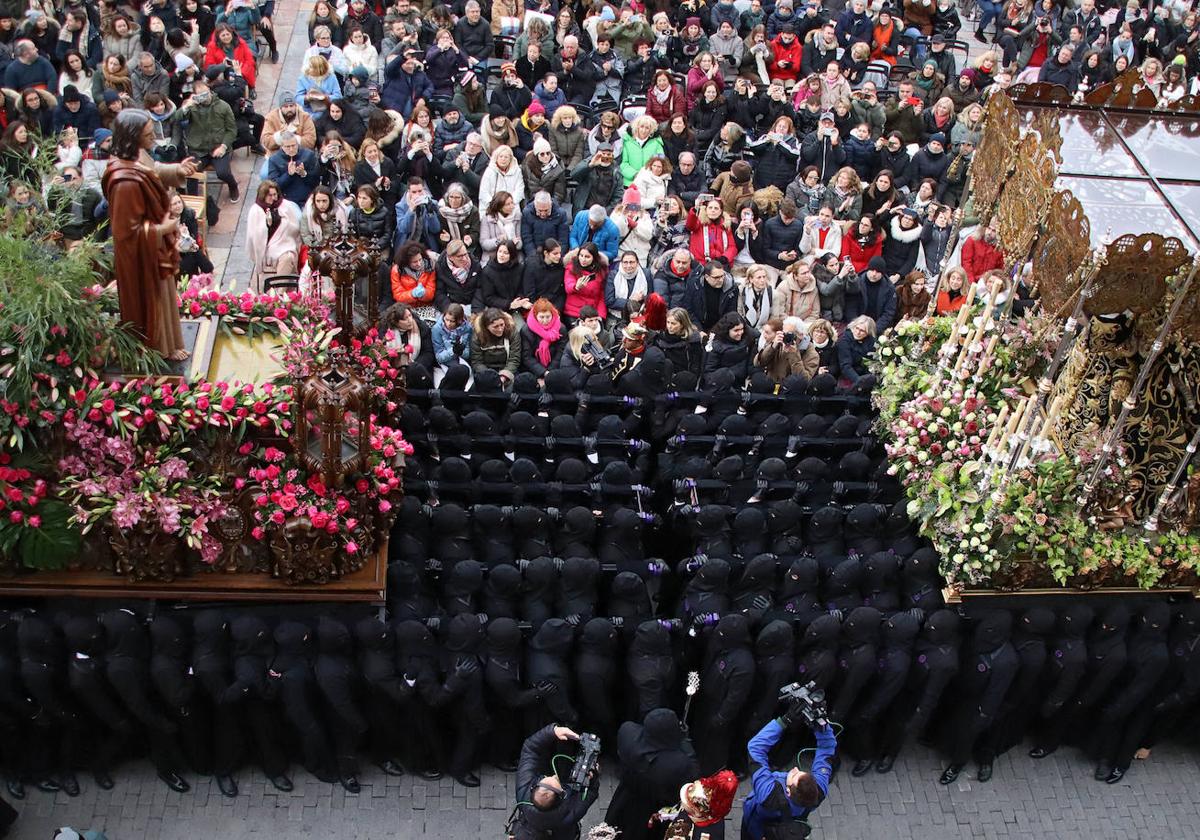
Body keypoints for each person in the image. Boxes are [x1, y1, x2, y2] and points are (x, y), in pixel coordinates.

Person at [102, 109, 195, 362]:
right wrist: (163, 229)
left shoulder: (138, 157)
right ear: (133, 137)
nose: (153, 137)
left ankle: (170, 342)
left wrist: (178, 170)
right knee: (153, 299)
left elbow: (152, 171)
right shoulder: (125, 183)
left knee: (165, 293)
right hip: (141, 255)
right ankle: (159, 348)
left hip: (155, 247)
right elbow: (125, 232)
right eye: (148, 134)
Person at [740, 680, 837, 840]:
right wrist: (822, 726)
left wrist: (785, 720)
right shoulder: (817, 791)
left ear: (788, 791)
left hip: (755, 831)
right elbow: (827, 750)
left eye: (793, 775)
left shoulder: (767, 794)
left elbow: (755, 748)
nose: (794, 769)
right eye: (800, 772)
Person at [510, 725, 599, 840]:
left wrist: (551, 732)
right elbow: (591, 793)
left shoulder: (523, 794)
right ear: (561, 798)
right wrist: (594, 776)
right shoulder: (570, 814)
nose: (554, 775)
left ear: (533, 789)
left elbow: (530, 749)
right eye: (557, 781)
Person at [246, 180, 301, 290]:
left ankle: (278, 292)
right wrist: (266, 225)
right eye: (269, 195)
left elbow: (295, 228)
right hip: (267, 248)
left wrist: (282, 222)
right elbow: (254, 235)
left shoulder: (286, 205)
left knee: (288, 257)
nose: (273, 198)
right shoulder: (256, 210)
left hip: (285, 244)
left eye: (275, 194)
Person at [470, 307, 522, 386]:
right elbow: (477, 362)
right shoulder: (478, 336)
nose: (500, 329)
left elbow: (514, 359)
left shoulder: (512, 332)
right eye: (495, 327)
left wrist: (504, 376)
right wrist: (490, 377)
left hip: (508, 370)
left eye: (502, 325)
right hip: (486, 372)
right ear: (486, 327)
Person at [836, 314, 877, 384]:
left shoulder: (871, 341)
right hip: (848, 376)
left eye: (862, 331)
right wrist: (859, 381)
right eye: (856, 328)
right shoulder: (844, 340)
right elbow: (845, 366)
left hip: (864, 375)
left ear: (868, 333)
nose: (858, 332)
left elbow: (871, 362)